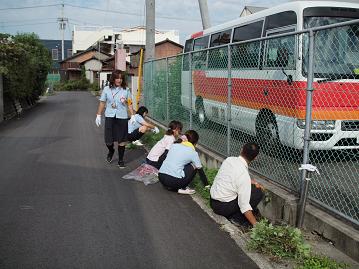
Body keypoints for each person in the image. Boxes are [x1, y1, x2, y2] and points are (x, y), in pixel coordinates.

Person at [210, 142, 264, 227]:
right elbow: (244, 206)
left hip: (213, 202)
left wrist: (251, 182)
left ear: (241, 149)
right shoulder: (243, 175)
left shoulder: (229, 160)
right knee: (258, 192)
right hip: (223, 208)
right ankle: (237, 218)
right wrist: (256, 225)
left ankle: (234, 215)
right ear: (255, 158)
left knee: (251, 188)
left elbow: (234, 176)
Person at [95, 70, 135, 168]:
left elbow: (129, 103)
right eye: (117, 78)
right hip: (110, 116)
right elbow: (102, 102)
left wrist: (133, 115)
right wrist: (98, 115)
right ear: (113, 78)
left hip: (122, 117)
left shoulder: (126, 90)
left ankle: (121, 160)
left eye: (121, 78)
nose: (119, 80)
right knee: (108, 140)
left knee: (122, 140)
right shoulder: (107, 89)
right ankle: (111, 150)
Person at [158, 130, 210, 195]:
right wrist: (207, 185)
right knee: (194, 165)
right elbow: (200, 171)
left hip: (161, 177)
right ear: (195, 142)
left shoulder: (174, 145)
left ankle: (174, 187)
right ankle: (182, 187)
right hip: (174, 181)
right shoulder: (193, 153)